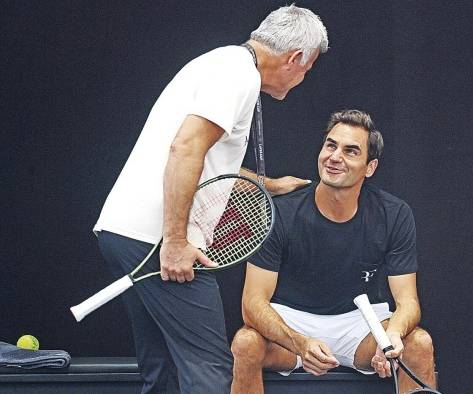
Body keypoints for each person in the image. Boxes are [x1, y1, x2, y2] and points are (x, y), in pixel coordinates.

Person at [92, 5, 328, 394]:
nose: (305, 76)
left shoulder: (220, 63)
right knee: (211, 372)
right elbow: (185, 149)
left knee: (162, 371)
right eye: (309, 67)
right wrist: (176, 242)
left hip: (123, 233)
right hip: (158, 242)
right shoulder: (238, 76)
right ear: (296, 58)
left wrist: (268, 184)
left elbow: (204, 162)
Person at [231, 110, 436, 394]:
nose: (335, 157)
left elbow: (408, 302)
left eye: (350, 151)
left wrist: (393, 335)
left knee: (419, 344)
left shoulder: (394, 213)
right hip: (292, 322)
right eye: (331, 145)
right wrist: (299, 342)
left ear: (370, 167)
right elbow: (252, 304)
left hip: (358, 324)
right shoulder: (280, 211)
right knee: (245, 343)